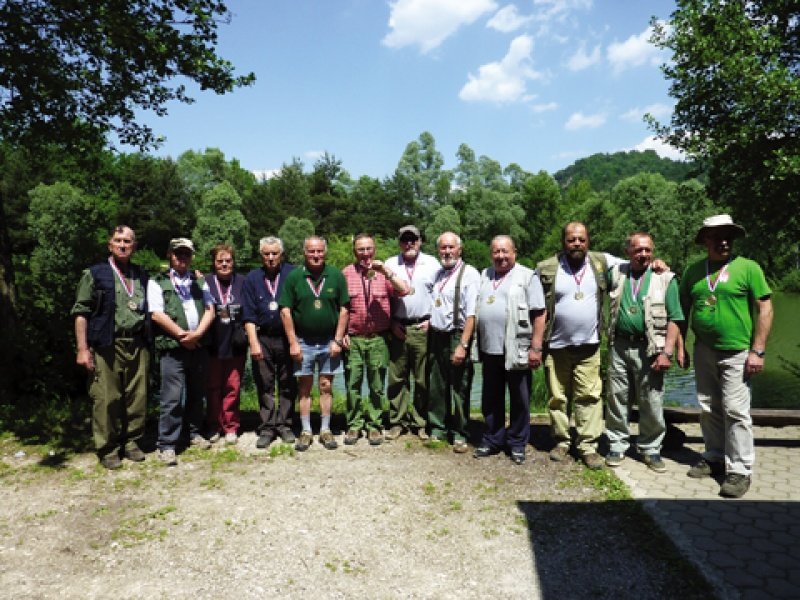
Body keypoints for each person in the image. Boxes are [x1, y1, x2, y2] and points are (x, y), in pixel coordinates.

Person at [679, 214, 773, 498]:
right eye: (717, 236)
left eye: (728, 237)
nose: (723, 242)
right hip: (704, 349)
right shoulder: (693, 272)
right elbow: (681, 312)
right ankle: (715, 456)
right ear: (705, 240)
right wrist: (680, 345)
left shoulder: (748, 268)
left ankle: (740, 470)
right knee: (708, 406)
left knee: (736, 410)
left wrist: (758, 350)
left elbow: (765, 309)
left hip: (738, 352)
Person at [537, 222, 624, 470]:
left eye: (581, 239)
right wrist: (535, 345)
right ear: (563, 242)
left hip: (589, 345)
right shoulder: (547, 267)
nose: (577, 244)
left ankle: (588, 447)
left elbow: (633, 264)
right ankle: (563, 442)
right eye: (571, 239)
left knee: (589, 397)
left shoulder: (601, 262)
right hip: (556, 346)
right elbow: (536, 307)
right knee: (557, 398)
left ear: (588, 241)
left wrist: (656, 264)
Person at [72, 225, 151, 469]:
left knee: (137, 396)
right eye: (118, 240)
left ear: (134, 246)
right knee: (106, 398)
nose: (123, 245)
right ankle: (107, 447)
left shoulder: (141, 275)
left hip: (137, 343)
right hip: (107, 344)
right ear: (110, 245)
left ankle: (131, 442)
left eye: (128, 241)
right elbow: (81, 312)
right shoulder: (95, 273)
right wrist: (82, 348)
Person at [604, 232, 684, 472]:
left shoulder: (665, 278)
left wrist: (667, 352)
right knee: (616, 398)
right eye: (638, 250)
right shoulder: (616, 274)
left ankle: (651, 449)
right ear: (628, 251)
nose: (644, 254)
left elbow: (676, 318)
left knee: (651, 400)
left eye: (648, 250)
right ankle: (617, 445)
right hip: (619, 345)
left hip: (649, 348)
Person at [473, 235, 545, 465]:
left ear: (515, 252)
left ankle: (516, 442)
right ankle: (492, 438)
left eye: (505, 251)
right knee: (491, 397)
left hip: (517, 347)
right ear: (490, 253)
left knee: (520, 398)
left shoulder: (527, 276)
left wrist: (536, 346)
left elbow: (539, 313)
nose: (501, 256)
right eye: (496, 252)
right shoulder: (485, 275)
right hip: (489, 348)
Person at [148, 238, 215, 465]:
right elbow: (156, 314)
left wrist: (197, 335)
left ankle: (195, 433)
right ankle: (167, 444)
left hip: (197, 346)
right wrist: (181, 335)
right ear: (170, 255)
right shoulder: (157, 281)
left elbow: (210, 309)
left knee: (198, 394)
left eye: (186, 254)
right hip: (173, 349)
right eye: (178, 254)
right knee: (172, 398)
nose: (182, 258)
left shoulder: (199, 281)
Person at [279, 236, 349, 452]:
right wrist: (293, 342)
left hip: (329, 342)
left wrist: (338, 339)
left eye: (319, 251)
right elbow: (285, 311)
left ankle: (326, 430)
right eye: (311, 251)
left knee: (326, 386)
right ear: (304, 253)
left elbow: (344, 309)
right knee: (305, 388)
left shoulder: (335, 275)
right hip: (304, 343)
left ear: (325, 252)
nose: (316, 255)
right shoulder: (294, 277)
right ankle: (307, 430)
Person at [341, 234, 409, 446]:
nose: (365, 253)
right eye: (361, 249)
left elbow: (404, 290)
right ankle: (354, 425)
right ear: (354, 251)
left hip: (379, 338)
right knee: (352, 383)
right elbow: (340, 307)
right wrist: (341, 332)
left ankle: (375, 425)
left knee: (377, 385)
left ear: (375, 250)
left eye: (369, 249)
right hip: (354, 339)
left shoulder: (383, 274)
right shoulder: (345, 274)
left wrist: (386, 272)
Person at [384, 225, 440, 441]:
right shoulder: (390, 264)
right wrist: (390, 323)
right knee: (397, 377)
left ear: (420, 241)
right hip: (397, 327)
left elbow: (441, 295)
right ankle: (397, 421)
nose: (409, 243)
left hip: (422, 327)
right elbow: (382, 299)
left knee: (422, 378)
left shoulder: (432, 264)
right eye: (405, 240)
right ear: (399, 242)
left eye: (413, 239)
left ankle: (420, 422)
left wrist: (432, 319)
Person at [427, 232, 480, 453]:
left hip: (457, 336)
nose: (447, 252)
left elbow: (472, 314)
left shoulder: (470, 275)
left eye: (451, 247)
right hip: (437, 335)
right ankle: (438, 428)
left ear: (459, 249)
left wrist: (463, 345)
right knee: (437, 385)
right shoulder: (438, 274)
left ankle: (460, 432)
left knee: (459, 387)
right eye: (443, 248)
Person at [243, 236, 297, 449]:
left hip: (287, 337)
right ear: (261, 255)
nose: (271, 258)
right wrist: (254, 343)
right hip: (263, 337)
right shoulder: (252, 278)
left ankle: (284, 424)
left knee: (287, 383)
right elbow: (248, 314)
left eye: (275, 253)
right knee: (264, 384)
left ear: (281, 254)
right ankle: (267, 427)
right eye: (267, 254)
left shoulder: (292, 274)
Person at [204, 244, 247, 445]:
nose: (224, 264)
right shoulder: (205, 282)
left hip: (236, 344)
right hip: (212, 343)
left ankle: (231, 426)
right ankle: (213, 424)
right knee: (212, 387)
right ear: (214, 263)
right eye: (220, 261)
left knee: (233, 387)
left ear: (233, 262)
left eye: (228, 260)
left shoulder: (242, 282)